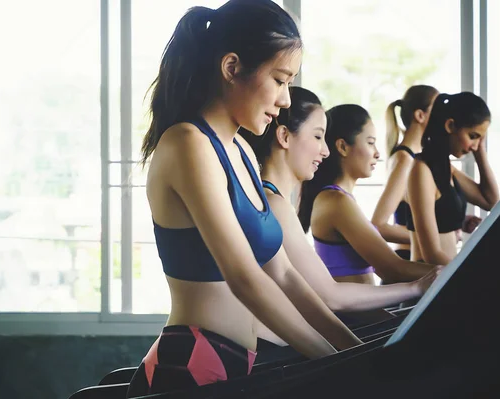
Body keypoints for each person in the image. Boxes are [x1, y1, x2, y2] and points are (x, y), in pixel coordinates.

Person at [127, 2, 361, 396]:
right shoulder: (188, 144)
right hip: (190, 368)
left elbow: (283, 273)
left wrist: (356, 352)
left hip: (237, 365)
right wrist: (339, 364)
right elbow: (244, 278)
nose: (286, 100)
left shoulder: (242, 151)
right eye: (280, 79)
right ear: (232, 68)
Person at [242, 87, 441, 327]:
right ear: (284, 136)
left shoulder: (279, 202)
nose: (325, 151)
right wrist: (418, 286)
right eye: (317, 137)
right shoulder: (282, 203)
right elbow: (330, 297)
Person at [298, 104, 438, 286]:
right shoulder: (335, 201)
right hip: (350, 315)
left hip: (368, 312)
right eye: (370, 143)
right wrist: (455, 270)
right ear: (342, 147)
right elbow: (393, 269)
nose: (377, 153)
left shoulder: (341, 198)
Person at [406, 92, 500, 265]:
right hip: (430, 280)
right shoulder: (422, 170)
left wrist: (481, 153)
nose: (475, 146)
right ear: (450, 126)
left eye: (480, 139)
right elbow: (431, 253)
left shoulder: (447, 169)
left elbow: (491, 201)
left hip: (444, 273)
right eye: (473, 136)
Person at [370, 85, 439, 260]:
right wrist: (430, 238)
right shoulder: (405, 160)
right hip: (409, 260)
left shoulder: (414, 157)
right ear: (420, 115)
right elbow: (379, 224)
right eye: (438, 109)